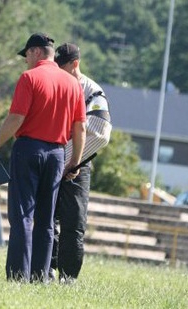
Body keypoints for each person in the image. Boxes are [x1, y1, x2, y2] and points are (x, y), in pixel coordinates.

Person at [0, 33, 86, 283]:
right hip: (57, 155)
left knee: (22, 215)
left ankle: (18, 275)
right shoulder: (73, 83)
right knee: (46, 219)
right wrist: (75, 162)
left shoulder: (29, 77)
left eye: (26, 54)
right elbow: (80, 127)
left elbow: (16, 118)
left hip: (28, 149)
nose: (25, 60)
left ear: (36, 52)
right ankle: (40, 276)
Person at [50, 43, 112, 283]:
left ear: (75, 64)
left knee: (73, 223)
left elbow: (100, 131)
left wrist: (69, 161)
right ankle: (47, 269)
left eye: (62, 66)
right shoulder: (53, 84)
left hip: (78, 164)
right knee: (47, 220)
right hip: (52, 160)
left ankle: (68, 277)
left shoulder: (93, 92)